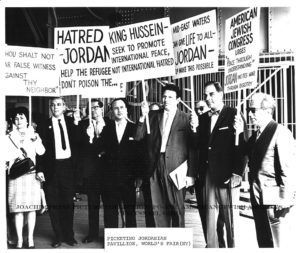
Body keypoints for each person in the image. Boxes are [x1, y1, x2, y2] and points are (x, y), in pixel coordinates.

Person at [190, 81, 247, 247]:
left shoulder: (234, 114)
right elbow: (195, 146)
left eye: (211, 94)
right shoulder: (202, 118)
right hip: (207, 175)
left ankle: (232, 248)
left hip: (227, 176)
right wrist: (194, 128)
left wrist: (238, 173)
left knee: (230, 220)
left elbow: (242, 147)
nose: (208, 98)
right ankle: (213, 247)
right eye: (205, 95)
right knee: (210, 220)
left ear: (221, 94)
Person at [235, 92, 296, 247]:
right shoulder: (256, 135)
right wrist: (240, 132)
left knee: (277, 245)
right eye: (249, 109)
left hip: (275, 202)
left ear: (268, 111)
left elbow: (287, 170)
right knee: (264, 243)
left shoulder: (281, 133)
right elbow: (243, 153)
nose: (249, 114)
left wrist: (285, 200)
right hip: (258, 198)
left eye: (253, 110)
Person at [134, 83, 196, 227]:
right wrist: (142, 116)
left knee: (177, 207)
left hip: (177, 168)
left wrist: (191, 174)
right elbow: (137, 137)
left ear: (178, 100)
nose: (166, 99)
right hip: (155, 165)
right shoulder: (152, 116)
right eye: (164, 96)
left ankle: (178, 243)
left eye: (170, 97)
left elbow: (193, 148)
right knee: (157, 207)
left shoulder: (187, 118)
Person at [36, 97, 80, 248]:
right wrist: (40, 169)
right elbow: (39, 150)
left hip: (68, 167)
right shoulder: (44, 125)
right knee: (54, 204)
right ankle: (58, 236)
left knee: (68, 203)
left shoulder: (71, 122)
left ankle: (69, 236)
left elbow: (78, 143)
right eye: (53, 105)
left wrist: (77, 123)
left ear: (64, 107)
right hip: (51, 168)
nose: (55, 107)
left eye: (58, 104)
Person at [5, 107, 45, 249]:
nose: (19, 120)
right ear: (13, 121)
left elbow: (41, 151)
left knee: (31, 209)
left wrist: (36, 140)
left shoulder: (34, 134)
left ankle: (30, 239)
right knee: (18, 210)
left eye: (22, 117)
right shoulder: (8, 136)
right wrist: (16, 154)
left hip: (31, 175)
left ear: (27, 120)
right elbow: (4, 156)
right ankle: (20, 240)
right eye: (16, 118)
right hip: (15, 176)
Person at [99, 98, 142, 228]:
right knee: (110, 210)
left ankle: (129, 239)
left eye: (121, 107)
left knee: (130, 211)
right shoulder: (106, 129)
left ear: (127, 109)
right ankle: (111, 239)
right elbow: (100, 151)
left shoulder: (135, 128)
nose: (119, 110)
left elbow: (139, 155)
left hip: (129, 178)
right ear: (112, 111)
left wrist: (138, 178)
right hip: (109, 177)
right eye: (116, 108)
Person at [78, 99, 108, 243]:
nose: (94, 110)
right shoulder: (84, 125)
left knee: (109, 204)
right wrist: (88, 138)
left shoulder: (110, 122)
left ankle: (109, 235)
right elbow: (80, 148)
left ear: (102, 109)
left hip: (108, 171)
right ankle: (93, 234)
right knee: (92, 204)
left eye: (96, 107)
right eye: (91, 108)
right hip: (92, 171)